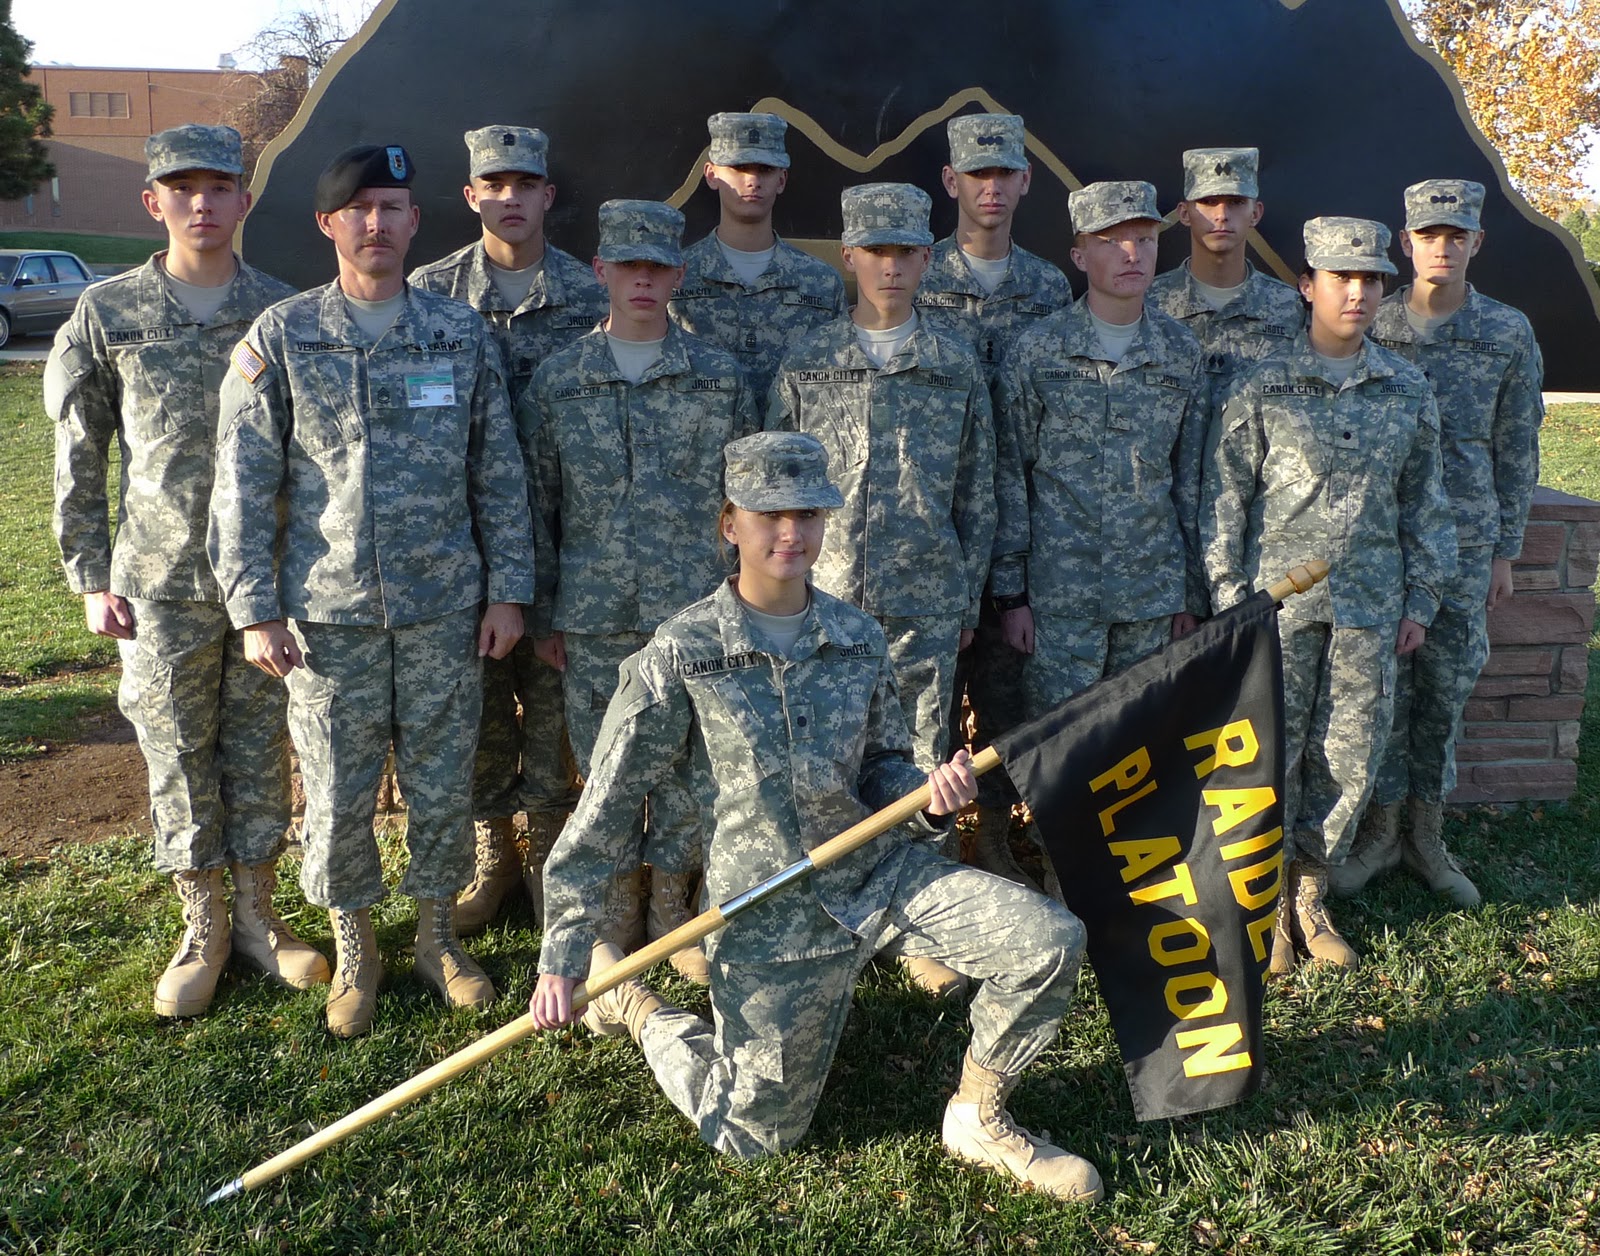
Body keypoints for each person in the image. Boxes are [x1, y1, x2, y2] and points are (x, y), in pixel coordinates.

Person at [529, 431, 1100, 1205]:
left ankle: (977, 1114)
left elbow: (881, 768)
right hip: (769, 910)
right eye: (768, 515)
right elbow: (604, 811)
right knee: (751, 1136)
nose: (791, 533)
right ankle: (637, 1007)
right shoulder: (683, 656)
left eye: (808, 513)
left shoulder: (856, 637)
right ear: (730, 525)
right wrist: (564, 949)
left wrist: (928, 795)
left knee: (1048, 940)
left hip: (875, 875)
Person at [209, 143, 536, 1037]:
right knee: (340, 789)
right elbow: (241, 479)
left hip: (443, 612)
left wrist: (507, 592)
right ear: (328, 224)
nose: (376, 224)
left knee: (440, 782)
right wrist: (255, 609)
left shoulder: (455, 333)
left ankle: (439, 942)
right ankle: (357, 951)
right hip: (326, 618)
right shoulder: (284, 335)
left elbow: (495, 471)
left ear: (415, 222)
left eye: (393, 208)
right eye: (358, 210)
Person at [48, 123, 325, 1020]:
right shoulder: (108, 312)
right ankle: (201, 925)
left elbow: (315, 457)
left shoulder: (283, 314)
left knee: (256, 751)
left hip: (262, 585)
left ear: (245, 199)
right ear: (153, 201)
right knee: (174, 752)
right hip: (156, 581)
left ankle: (258, 917)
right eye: (183, 187)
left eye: (219, 186)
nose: (202, 203)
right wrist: (92, 575)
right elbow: (80, 450)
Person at [1202, 216, 1455, 971]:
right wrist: (1228, 600)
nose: (1358, 291)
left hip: (1369, 609)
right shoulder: (1262, 387)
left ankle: (1308, 898)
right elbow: (1223, 499)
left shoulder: (1403, 386)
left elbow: (1425, 500)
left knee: (1347, 758)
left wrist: (1421, 599)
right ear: (1306, 286)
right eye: (1341, 277)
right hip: (1274, 610)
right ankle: (1262, 909)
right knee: (1268, 759)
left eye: (1372, 278)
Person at [767, 182, 997, 997]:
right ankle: (827, 915)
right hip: (820, 604)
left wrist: (967, 601)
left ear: (927, 260)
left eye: (907, 251)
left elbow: (978, 489)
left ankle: (918, 929)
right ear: (850, 256)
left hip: (923, 603)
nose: (892, 267)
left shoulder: (954, 362)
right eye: (877, 251)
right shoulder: (806, 358)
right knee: (823, 765)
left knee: (923, 766)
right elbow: (773, 490)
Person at [520, 199, 759, 984]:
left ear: (680, 274)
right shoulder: (561, 381)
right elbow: (539, 505)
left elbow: (744, 503)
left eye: (659, 267)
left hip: (695, 612)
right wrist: (547, 611)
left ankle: (673, 907)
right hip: (593, 616)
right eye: (629, 266)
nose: (644, 280)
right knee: (608, 765)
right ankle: (617, 909)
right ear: (601, 273)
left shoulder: (720, 377)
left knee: (695, 764)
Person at [410, 125, 608, 936]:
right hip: (461, 548)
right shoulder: (427, 294)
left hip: (568, 544)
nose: (510, 197)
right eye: (494, 184)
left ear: (548, 196)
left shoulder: (594, 296)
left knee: (555, 712)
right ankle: (495, 862)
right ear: (470, 196)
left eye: (526, 183)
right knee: (484, 716)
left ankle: (552, 867)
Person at [995, 180, 1210, 895]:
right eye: (1113, 241)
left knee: (1138, 743)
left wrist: (1188, 591)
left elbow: (1191, 480)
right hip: (1061, 597)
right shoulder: (1038, 351)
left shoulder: (1182, 353)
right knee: (1065, 746)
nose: (1132, 254)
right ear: (1079, 253)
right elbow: (1012, 474)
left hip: (1150, 590)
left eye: (1145, 239)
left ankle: (1130, 885)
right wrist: (1012, 593)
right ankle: (1066, 883)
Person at [1336, 180, 1545, 907]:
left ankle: (1426, 836)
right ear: (1405, 243)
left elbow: (1518, 445)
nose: (1442, 247)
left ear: (1477, 243)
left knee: (1445, 690)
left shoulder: (1505, 331)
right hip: (1382, 542)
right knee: (1384, 690)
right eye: (1428, 234)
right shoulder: (1372, 324)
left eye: (1456, 235)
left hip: (1465, 539)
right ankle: (1379, 832)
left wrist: (1505, 552)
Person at [915, 112, 1073, 891]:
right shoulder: (915, 275)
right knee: (933, 709)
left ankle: (1003, 839)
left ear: (1025, 181)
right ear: (951, 182)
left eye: (1005, 173)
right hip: (932, 529)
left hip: (1022, 532)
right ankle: (938, 845)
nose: (991, 188)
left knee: (1010, 702)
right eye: (976, 174)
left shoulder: (1049, 288)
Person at [669, 111, 845, 414]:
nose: (752, 180)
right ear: (711, 175)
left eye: (764, 169)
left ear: (782, 179)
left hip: (794, 456)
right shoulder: (676, 278)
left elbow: (837, 388)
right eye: (739, 167)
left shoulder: (821, 283)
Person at [1146, 146, 1305, 402]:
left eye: (1236, 202)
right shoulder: (1148, 303)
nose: (1221, 215)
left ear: (1256, 213)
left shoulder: (1290, 309)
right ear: (1185, 213)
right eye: (1208, 202)